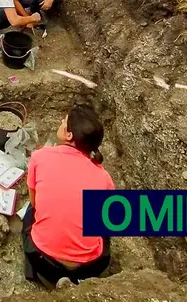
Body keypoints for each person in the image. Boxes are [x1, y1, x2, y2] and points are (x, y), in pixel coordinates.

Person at [23, 105, 114, 287]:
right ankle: (78, 281)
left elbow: (35, 203)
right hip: (92, 265)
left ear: (69, 135)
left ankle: (46, 276)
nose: (61, 122)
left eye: (63, 121)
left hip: (43, 259)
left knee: (29, 213)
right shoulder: (104, 178)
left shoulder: (40, 157)